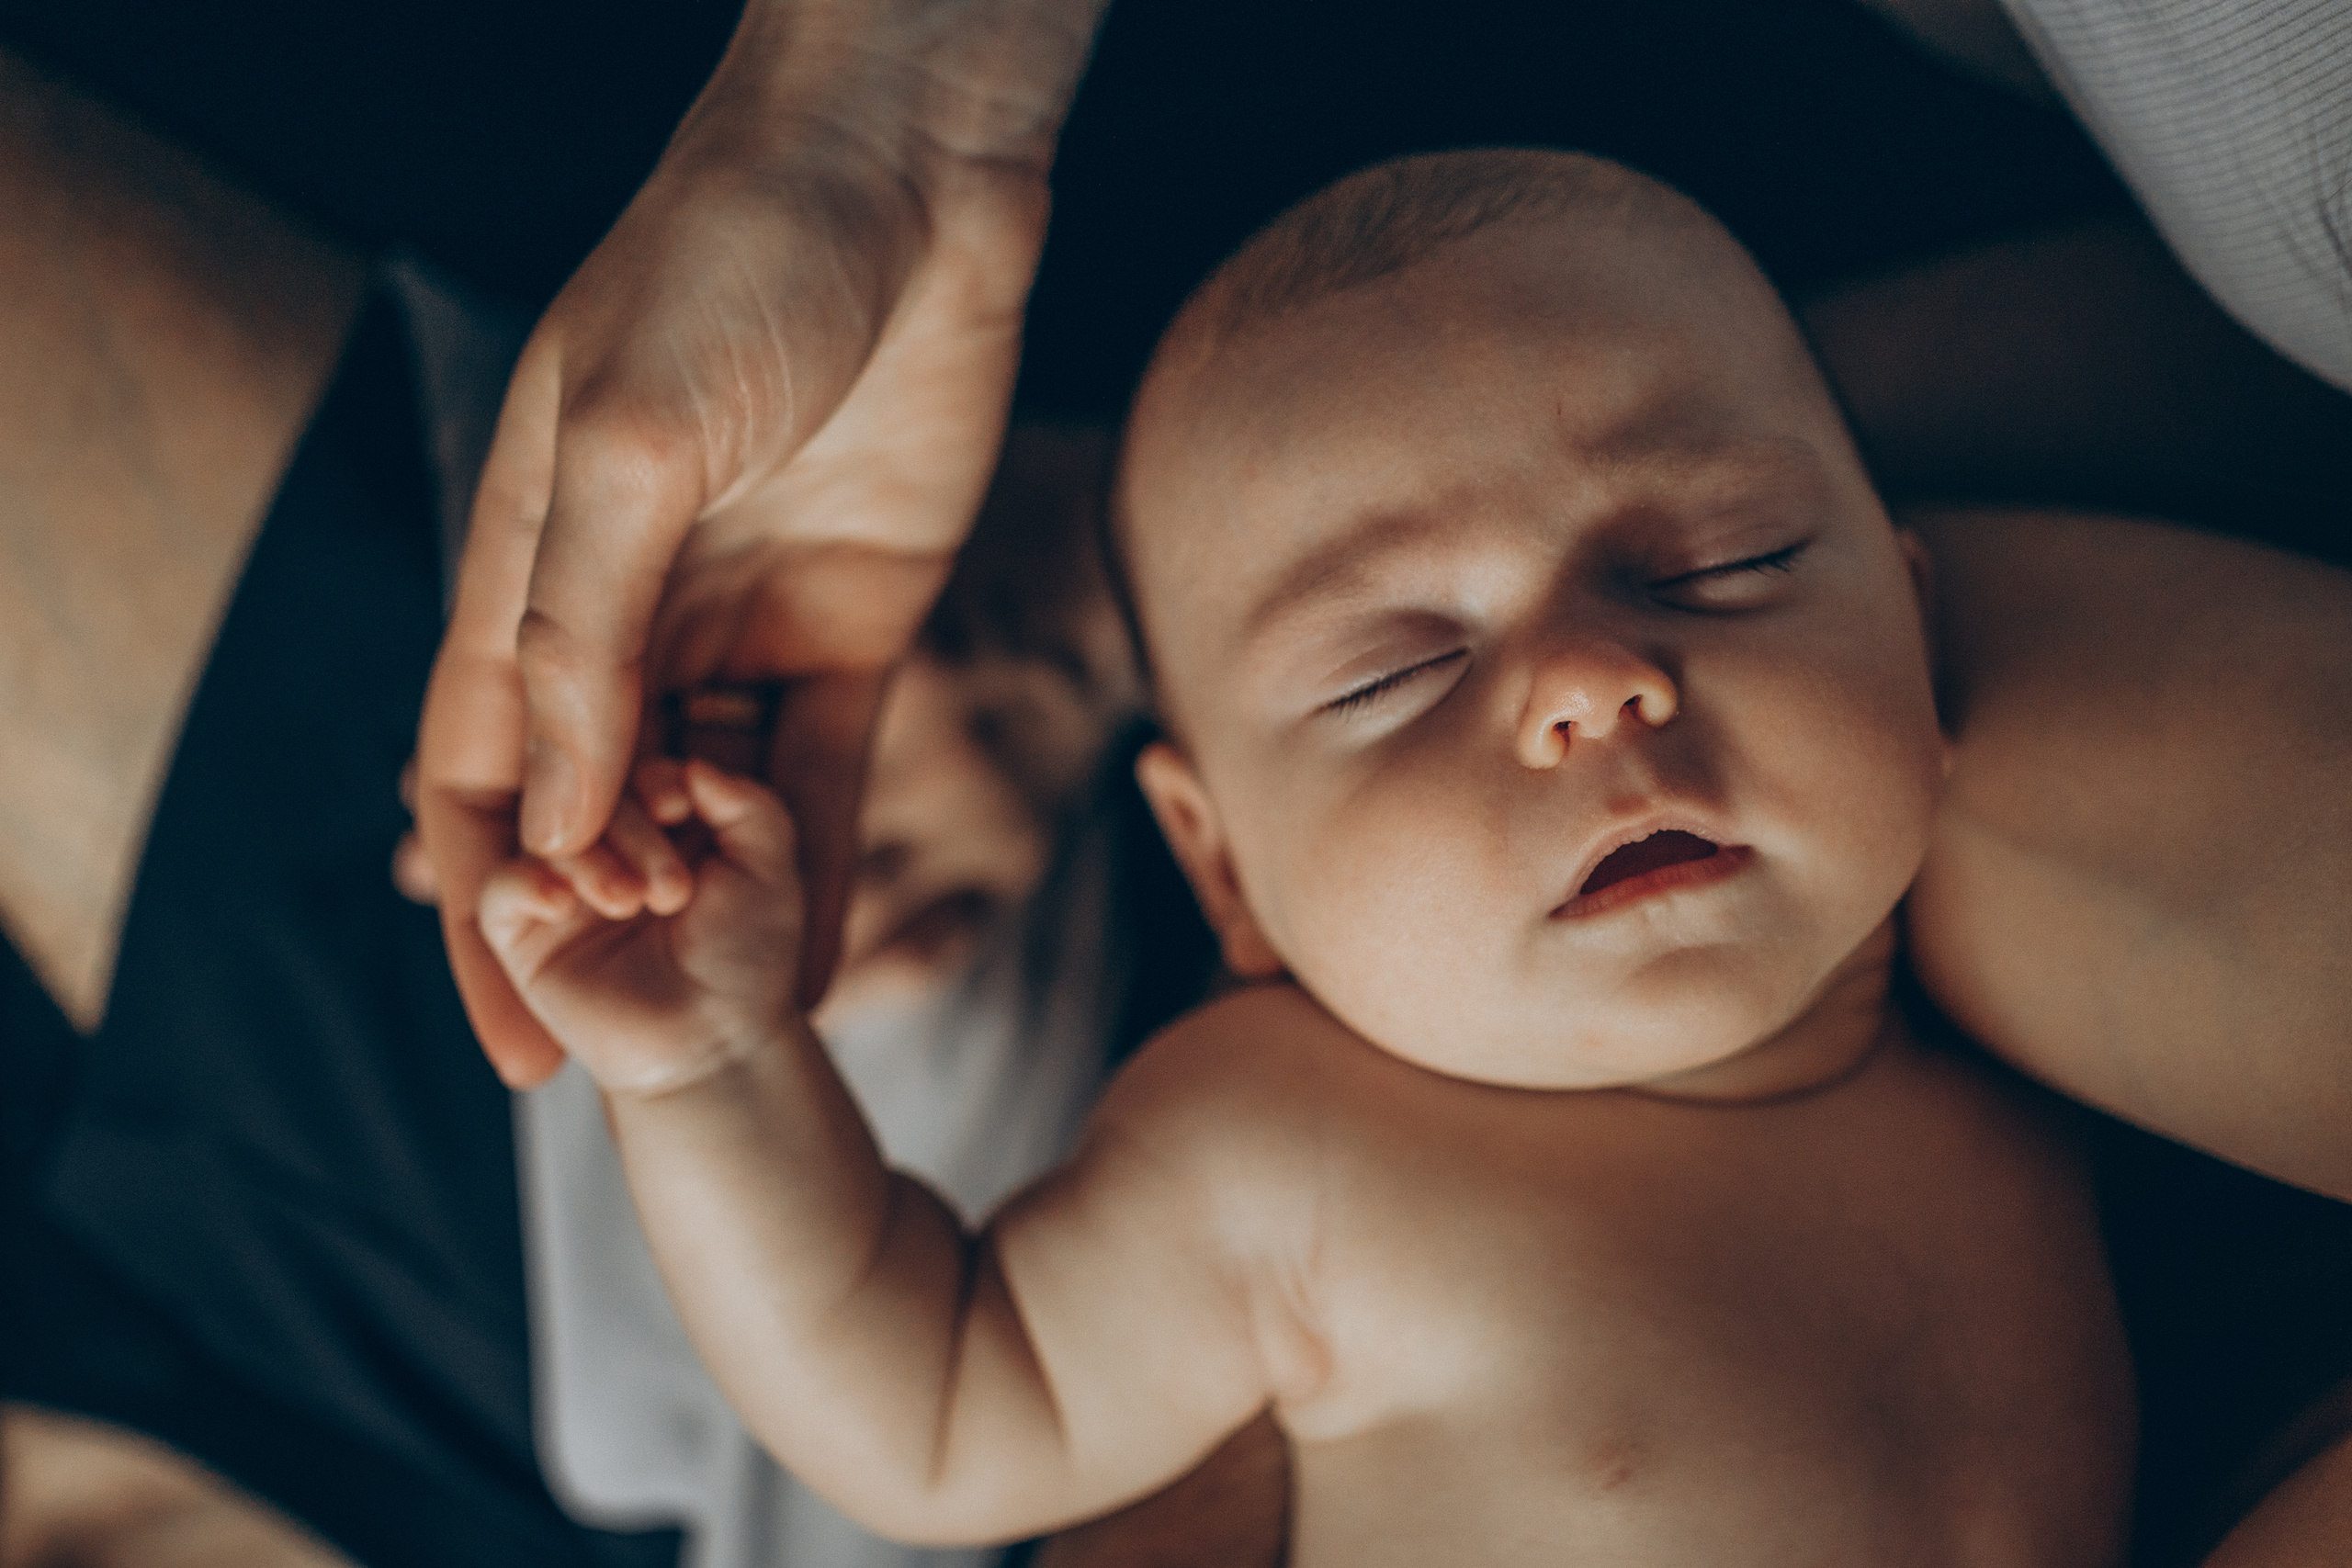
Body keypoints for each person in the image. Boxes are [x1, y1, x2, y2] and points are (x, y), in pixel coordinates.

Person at [474, 152, 2142, 1563]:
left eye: (1722, 561)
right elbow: (926, 1400)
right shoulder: (1291, 1154)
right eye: (1392, 675)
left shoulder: (2086, 1045)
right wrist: (709, 1066)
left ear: (1914, 627)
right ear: (1226, 874)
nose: (1587, 686)